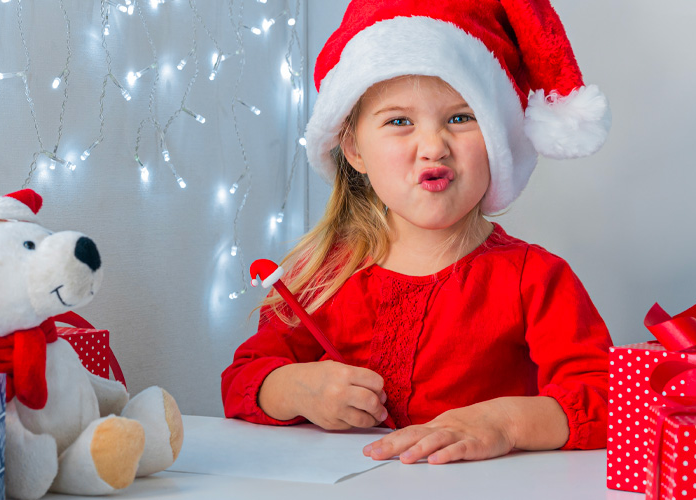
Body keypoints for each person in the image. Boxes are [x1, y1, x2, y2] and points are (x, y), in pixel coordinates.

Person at [221, 0, 614, 465]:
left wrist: (505, 423)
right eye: (399, 121)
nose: (433, 146)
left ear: (498, 140)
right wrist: (297, 389)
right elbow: (243, 380)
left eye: (460, 118)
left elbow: (608, 400)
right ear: (354, 150)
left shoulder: (535, 279)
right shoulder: (320, 278)